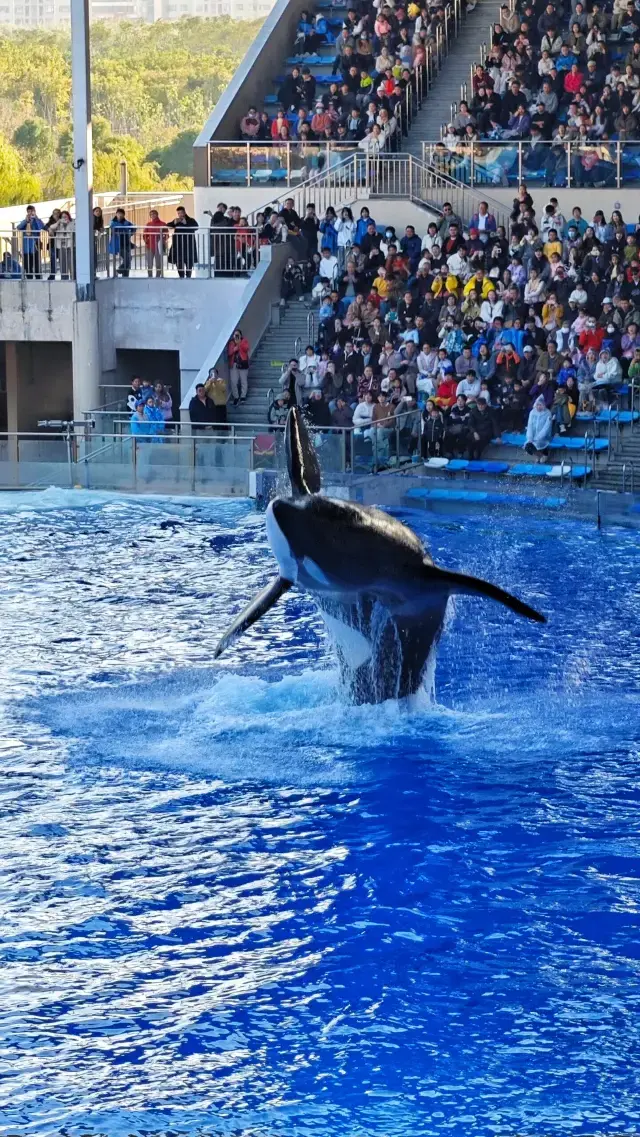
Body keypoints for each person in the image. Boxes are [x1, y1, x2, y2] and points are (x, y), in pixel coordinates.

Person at [167, 206, 198, 278]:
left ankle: (188, 276)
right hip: (178, 245)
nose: (180, 214)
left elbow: (196, 227)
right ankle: (181, 277)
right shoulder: (177, 220)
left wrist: (186, 223)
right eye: (178, 213)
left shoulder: (191, 220)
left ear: (184, 212)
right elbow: (168, 225)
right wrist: (174, 223)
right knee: (179, 262)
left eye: (181, 212)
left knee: (189, 262)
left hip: (188, 245)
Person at [16, 205, 45, 278]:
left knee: (36, 264)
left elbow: (40, 228)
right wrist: (26, 221)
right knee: (27, 265)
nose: (30, 213)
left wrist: (35, 219)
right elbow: (19, 227)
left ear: (35, 212)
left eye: (32, 211)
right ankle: (29, 278)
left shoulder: (38, 220)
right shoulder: (25, 221)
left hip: (35, 246)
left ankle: (38, 278)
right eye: (28, 212)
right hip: (26, 247)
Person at [48, 210, 75, 280]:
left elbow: (74, 229)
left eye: (66, 216)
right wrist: (58, 222)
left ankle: (73, 278)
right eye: (62, 217)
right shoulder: (59, 224)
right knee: (63, 264)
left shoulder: (72, 223)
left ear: (68, 216)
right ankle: (64, 278)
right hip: (61, 246)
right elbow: (51, 227)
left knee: (71, 263)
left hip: (70, 246)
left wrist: (68, 223)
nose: (64, 218)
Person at [525, 395, 553, 461]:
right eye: (537, 405)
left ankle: (545, 454)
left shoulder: (548, 413)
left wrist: (538, 437)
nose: (538, 407)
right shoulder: (532, 412)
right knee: (528, 446)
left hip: (544, 436)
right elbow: (530, 425)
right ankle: (538, 455)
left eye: (540, 405)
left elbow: (546, 428)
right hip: (533, 435)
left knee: (540, 443)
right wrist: (530, 437)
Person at [108, 208, 135, 277]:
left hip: (126, 243)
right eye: (118, 213)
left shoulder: (126, 222)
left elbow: (133, 228)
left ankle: (125, 275)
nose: (120, 215)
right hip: (118, 244)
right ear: (116, 214)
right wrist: (125, 228)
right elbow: (114, 228)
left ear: (123, 215)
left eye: (121, 214)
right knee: (128, 258)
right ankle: (119, 270)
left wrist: (130, 233)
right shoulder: (113, 222)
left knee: (128, 259)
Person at [227, 328, 250, 404]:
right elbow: (229, 353)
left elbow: (246, 349)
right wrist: (234, 349)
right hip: (234, 364)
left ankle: (243, 396)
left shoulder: (244, 341)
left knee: (244, 380)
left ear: (240, 335)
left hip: (243, 363)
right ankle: (236, 397)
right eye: (235, 335)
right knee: (234, 381)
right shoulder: (231, 343)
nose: (236, 336)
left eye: (238, 334)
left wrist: (239, 343)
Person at [143, 210, 168, 278]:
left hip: (159, 247)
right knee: (149, 263)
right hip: (150, 246)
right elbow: (145, 234)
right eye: (151, 214)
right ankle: (150, 276)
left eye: (154, 214)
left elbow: (166, 234)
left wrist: (163, 240)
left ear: (157, 214)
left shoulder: (163, 224)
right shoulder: (148, 224)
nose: (153, 215)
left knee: (158, 263)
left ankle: (158, 276)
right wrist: (147, 241)